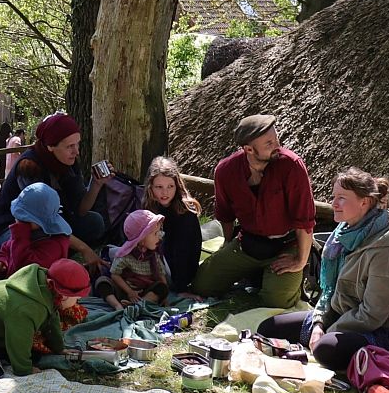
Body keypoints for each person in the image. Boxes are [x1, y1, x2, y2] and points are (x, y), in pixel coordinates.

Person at [258, 169, 389, 372]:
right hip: (340, 315)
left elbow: (372, 314)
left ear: (364, 202)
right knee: (269, 328)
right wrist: (318, 324)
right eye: (334, 197)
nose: (333, 204)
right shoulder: (343, 234)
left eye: (341, 198)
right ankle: (324, 339)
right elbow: (329, 292)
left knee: (326, 349)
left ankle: (330, 344)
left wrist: (328, 331)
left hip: (380, 331)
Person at [191, 114, 315, 306]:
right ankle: (255, 273)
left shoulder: (292, 166)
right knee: (202, 286)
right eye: (269, 144)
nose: (277, 146)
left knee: (276, 301)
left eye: (276, 140)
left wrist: (300, 260)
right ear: (249, 149)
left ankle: (289, 278)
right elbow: (225, 215)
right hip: (248, 243)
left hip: (287, 244)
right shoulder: (226, 171)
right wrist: (227, 246)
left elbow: (305, 220)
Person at [0, 113, 109, 250]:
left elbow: (80, 209)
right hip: (8, 229)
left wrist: (96, 184)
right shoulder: (29, 166)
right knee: (40, 236)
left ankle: (58, 252)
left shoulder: (68, 162)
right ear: (50, 146)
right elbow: (40, 220)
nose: (76, 151)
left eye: (77, 144)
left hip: (47, 223)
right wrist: (83, 248)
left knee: (94, 222)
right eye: (69, 146)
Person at [0, 258, 91, 376]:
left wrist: (59, 348)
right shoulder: (26, 308)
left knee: (29, 332)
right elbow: (18, 338)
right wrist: (24, 369)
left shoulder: (42, 287)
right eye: (77, 298)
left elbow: (51, 319)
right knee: (28, 353)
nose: (77, 302)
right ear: (62, 294)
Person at [0, 183, 100, 276]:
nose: (19, 221)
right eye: (17, 216)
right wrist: (1, 261)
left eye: (24, 219)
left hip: (34, 292)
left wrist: (20, 235)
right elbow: (6, 248)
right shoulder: (29, 231)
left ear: (42, 221)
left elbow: (24, 270)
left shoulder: (53, 246)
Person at [144, 156, 203, 295]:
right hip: (151, 261)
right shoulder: (148, 206)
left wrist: (181, 288)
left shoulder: (185, 214)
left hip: (174, 272)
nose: (165, 193)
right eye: (159, 187)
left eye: (170, 186)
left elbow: (184, 253)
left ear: (177, 186)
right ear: (150, 187)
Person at [96, 210, 168, 311]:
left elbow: (161, 275)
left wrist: (165, 296)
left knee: (162, 287)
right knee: (102, 282)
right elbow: (115, 274)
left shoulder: (154, 255)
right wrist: (129, 291)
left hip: (144, 291)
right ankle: (118, 306)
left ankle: (139, 305)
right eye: (156, 234)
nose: (160, 237)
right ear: (141, 240)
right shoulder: (125, 255)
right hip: (124, 290)